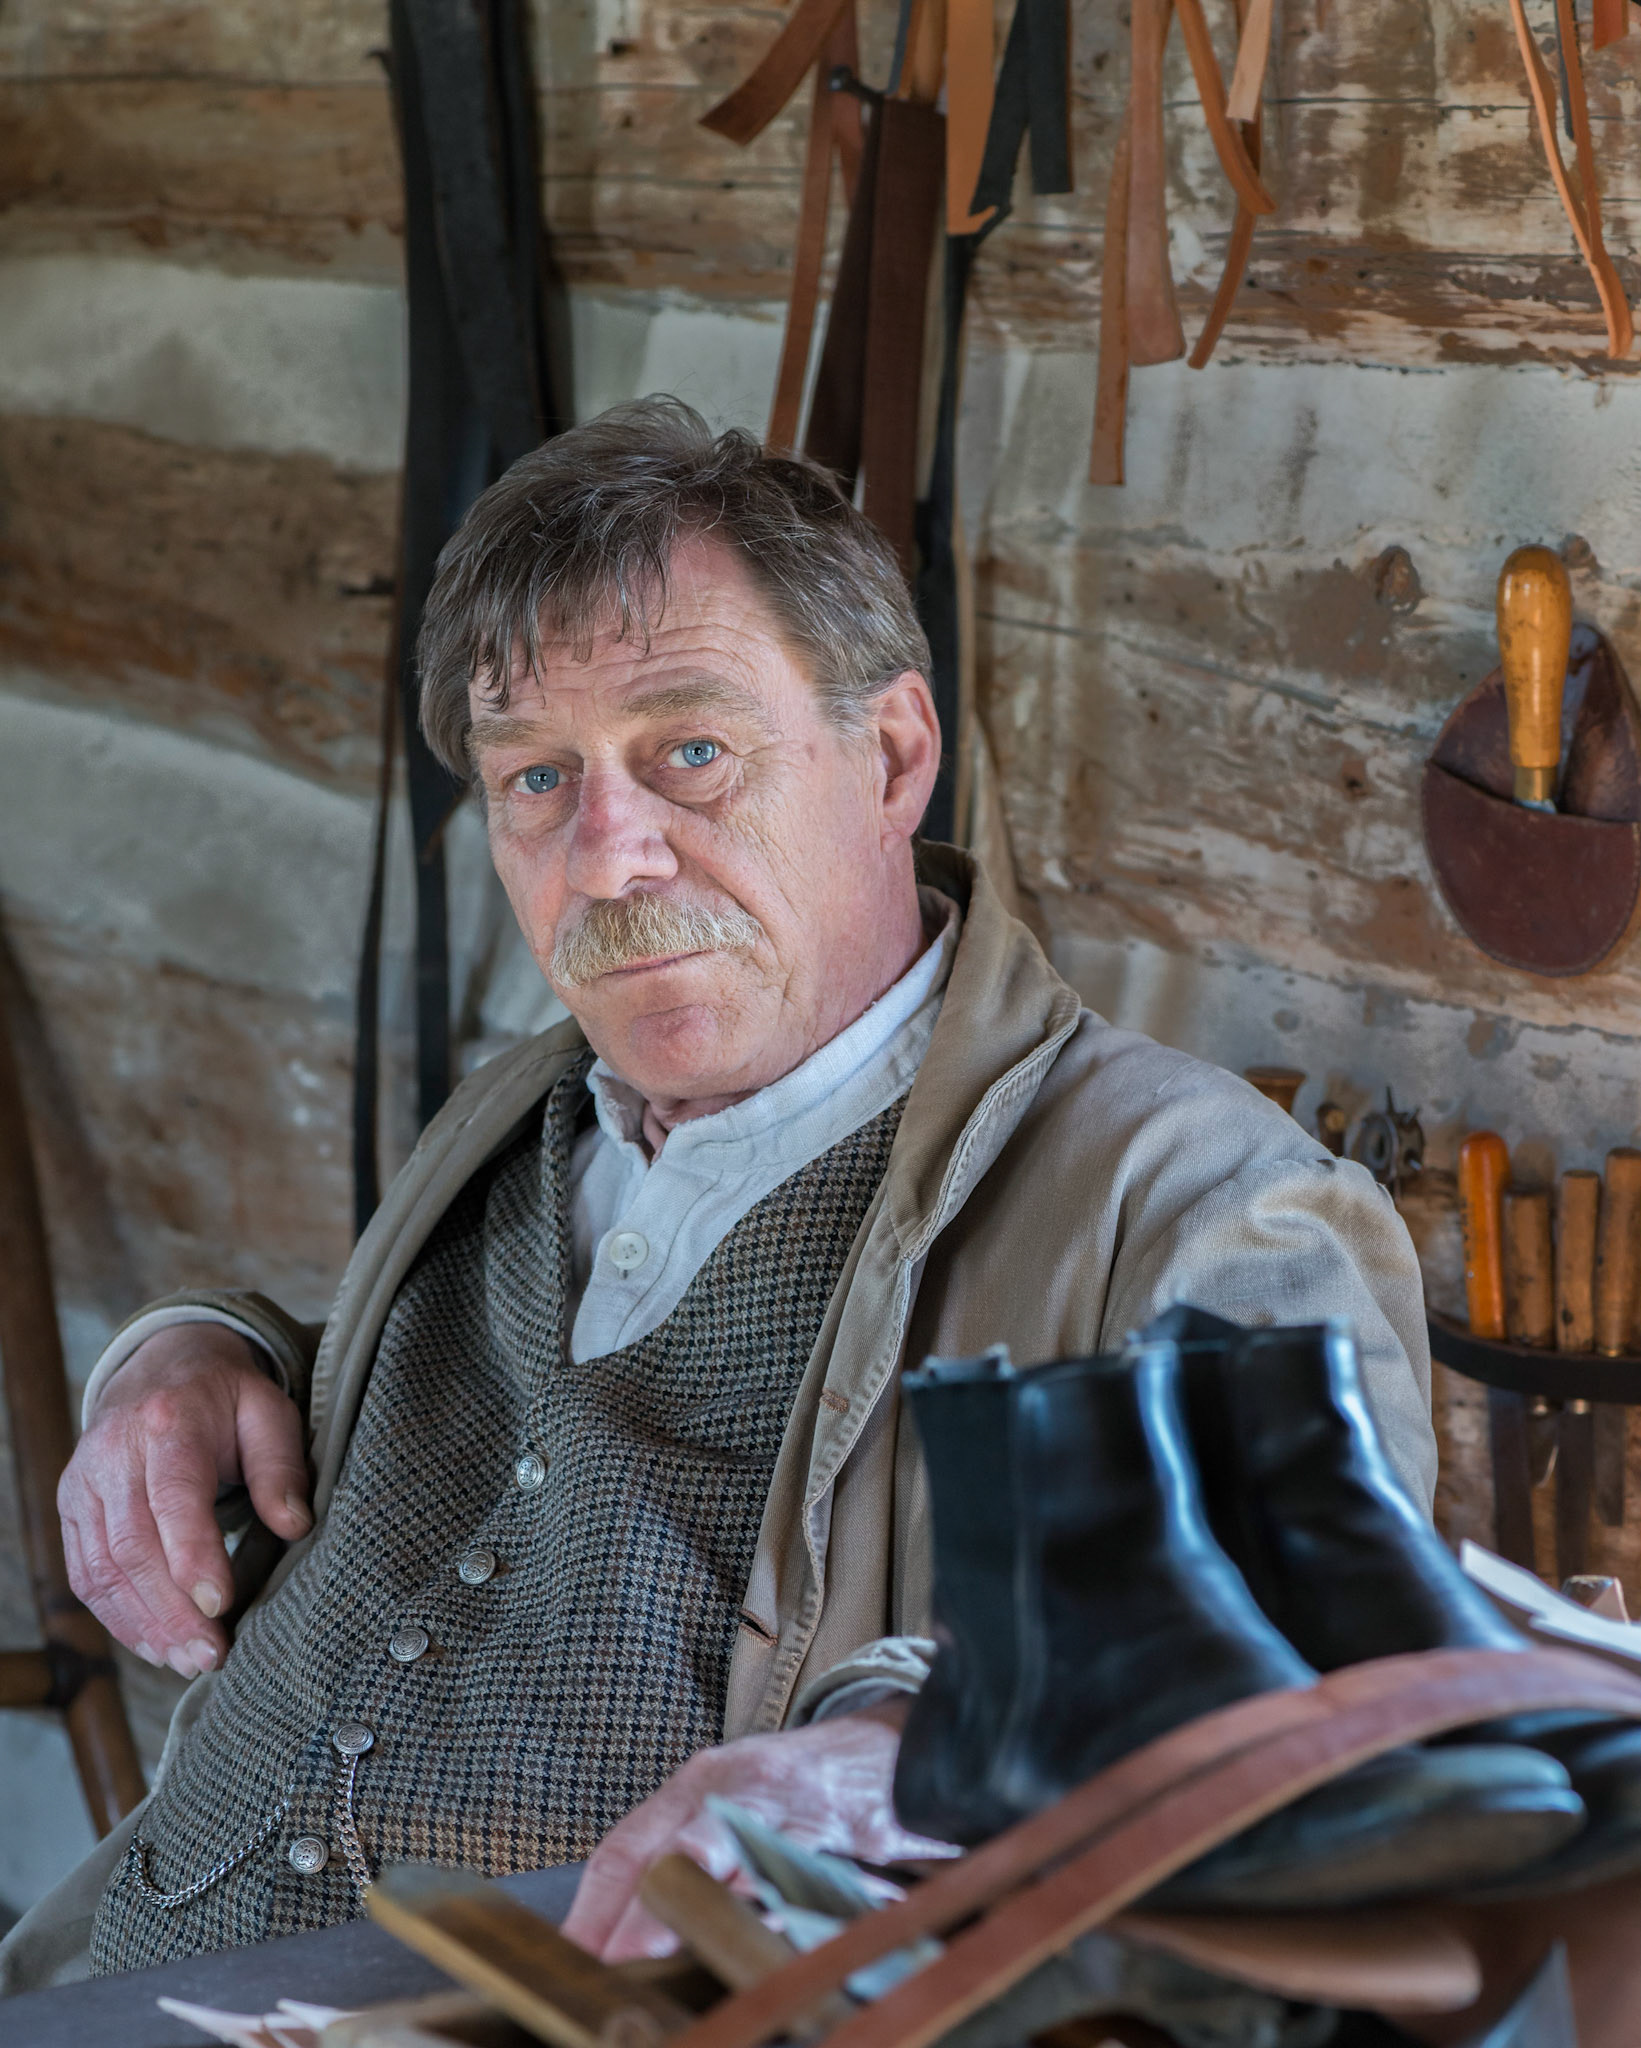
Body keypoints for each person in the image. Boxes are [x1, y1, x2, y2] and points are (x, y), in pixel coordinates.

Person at [1, 399, 1434, 1992]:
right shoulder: (527, 1108)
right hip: (102, 1981)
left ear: (890, 755)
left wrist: (910, 1746)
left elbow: (1316, 1621)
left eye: (690, 751)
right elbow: (451, 1423)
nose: (610, 855)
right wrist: (193, 1354)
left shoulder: (1193, 1197)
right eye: (538, 778)